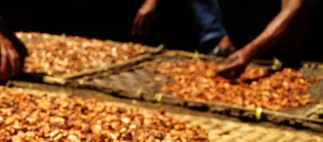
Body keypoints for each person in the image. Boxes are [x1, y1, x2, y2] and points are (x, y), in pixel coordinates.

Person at [132, 0, 309, 78]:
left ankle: (284, 55)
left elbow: (294, 9)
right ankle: (218, 39)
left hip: (286, 26)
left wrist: (249, 51)